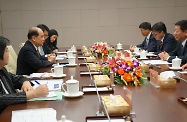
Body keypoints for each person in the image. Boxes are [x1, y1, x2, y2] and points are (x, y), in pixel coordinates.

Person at [0, 36, 49, 113]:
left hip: (12, 109)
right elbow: (2, 99)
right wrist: (33, 93)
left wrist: (25, 81)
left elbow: (14, 78)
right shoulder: (27, 49)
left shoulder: (2, 69)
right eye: (6, 50)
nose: (8, 53)